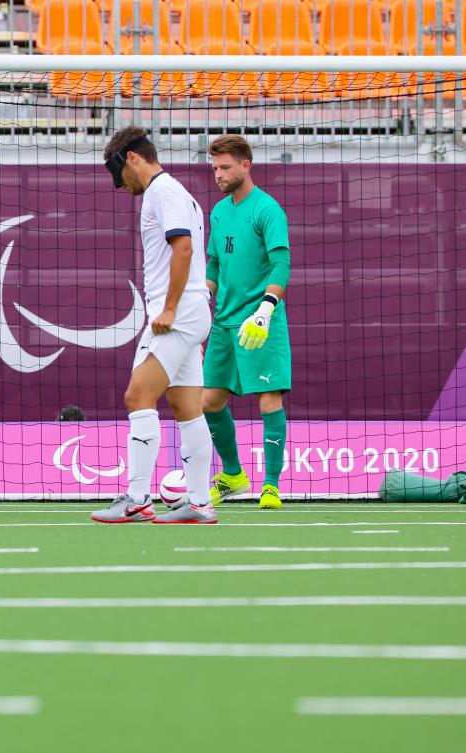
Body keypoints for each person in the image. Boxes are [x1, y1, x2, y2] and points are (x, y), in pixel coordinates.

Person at [90, 127, 217, 525]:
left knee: (137, 396)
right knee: (186, 409)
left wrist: (170, 309)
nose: (119, 185)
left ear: (132, 159)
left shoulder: (163, 192)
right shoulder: (175, 193)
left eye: (119, 175)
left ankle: (137, 499)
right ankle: (199, 503)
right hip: (190, 312)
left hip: (174, 315)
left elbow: (183, 248)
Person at [202, 135, 292, 510]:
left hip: (259, 322)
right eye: (215, 168)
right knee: (208, 402)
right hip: (223, 323)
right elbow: (214, 264)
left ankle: (270, 486)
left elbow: (281, 263)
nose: (218, 174)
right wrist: (201, 296)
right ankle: (234, 474)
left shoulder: (267, 209)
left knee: (268, 400)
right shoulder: (219, 212)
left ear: (245, 166)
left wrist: (266, 309)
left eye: (224, 167)